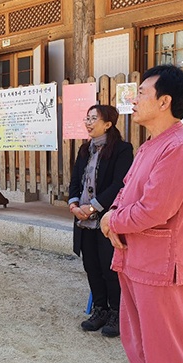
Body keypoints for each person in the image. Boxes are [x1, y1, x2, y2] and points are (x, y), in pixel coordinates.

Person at [100, 65, 183, 363]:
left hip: (162, 264)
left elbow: (155, 209)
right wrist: (113, 215)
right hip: (135, 256)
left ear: (164, 102)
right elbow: (125, 192)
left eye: (142, 92)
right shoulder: (150, 146)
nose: (135, 98)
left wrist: (112, 220)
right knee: (138, 336)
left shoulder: (180, 148)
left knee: (167, 348)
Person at [68, 104, 133, 338]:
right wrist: (74, 204)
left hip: (106, 219)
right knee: (92, 267)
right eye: (87, 118)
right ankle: (100, 309)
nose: (88, 122)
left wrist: (94, 207)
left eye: (93, 118)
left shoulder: (122, 150)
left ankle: (117, 313)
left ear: (108, 124)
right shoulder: (84, 149)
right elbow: (75, 179)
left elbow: (119, 184)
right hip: (84, 220)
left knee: (109, 268)